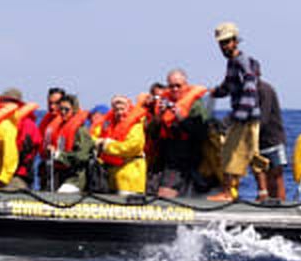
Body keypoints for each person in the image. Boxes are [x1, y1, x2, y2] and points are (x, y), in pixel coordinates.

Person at [208, 22, 269, 202]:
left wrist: (238, 117)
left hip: (245, 117)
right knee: (253, 154)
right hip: (250, 117)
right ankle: (262, 194)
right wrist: (214, 92)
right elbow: (229, 86)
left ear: (235, 41)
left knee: (228, 152)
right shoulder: (233, 62)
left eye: (227, 42)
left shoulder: (240, 62)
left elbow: (250, 89)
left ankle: (227, 193)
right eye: (222, 43)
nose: (224, 46)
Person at [146, 68, 211, 198]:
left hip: (184, 156)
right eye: (171, 86)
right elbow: (152, 133)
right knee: (149, 189)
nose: (175, 89)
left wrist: (181, 118)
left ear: (185, 86)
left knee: (165, 192)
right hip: (164, 155)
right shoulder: (163, 102)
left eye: (178, 86)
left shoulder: (195, 105)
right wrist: (159, 117)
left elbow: (202, 133)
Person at [93, 95, 147, 195]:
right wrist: (97, 141)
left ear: (129, 107)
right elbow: (93, 136)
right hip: (112, 173)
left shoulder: (136, 124)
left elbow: (133, 146)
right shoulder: (109, 123)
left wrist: (107, 146)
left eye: (122, 109)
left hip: (130, 174)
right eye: (116, 109)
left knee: (127, 207)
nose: (119, 112)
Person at [47, 94, 94, 193]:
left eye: (66, 109)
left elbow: (83, 156)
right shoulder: (60, 128)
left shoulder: (81, 131)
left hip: (75, 178)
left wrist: (58, 155)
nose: (63, 112)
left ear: (74, 110)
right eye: (61, 109)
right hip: (60, 175)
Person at [1, 88, 41, 189]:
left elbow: (26, 151)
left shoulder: (27, 125)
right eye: (4, 102)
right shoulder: (2, 123)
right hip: (1, 173)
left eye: (10, 103)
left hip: (19, 175)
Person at [257, 77, 288, 201]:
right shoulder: (247, 91)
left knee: (276, 175)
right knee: (261, 173)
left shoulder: (264, 90)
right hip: (258, 141)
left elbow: (263, 118)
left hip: (273, 139)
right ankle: (264, 198)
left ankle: (281, 203)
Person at [38, 86, 66, 190]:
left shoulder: (67, 121)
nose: (52, 106)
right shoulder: (45, 120)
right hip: (46, 167)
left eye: (56, 103)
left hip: (62, 169)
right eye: (50, 103)